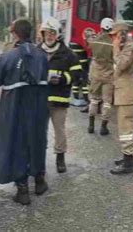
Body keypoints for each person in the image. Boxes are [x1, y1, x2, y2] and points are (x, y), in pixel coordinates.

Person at [0, 19, 49, 205]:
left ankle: (23, 189)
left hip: (15, 107)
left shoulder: (9, 56)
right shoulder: (41, 55)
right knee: (38, 139)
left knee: (17, 143)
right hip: (38, 107)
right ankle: (39, 181)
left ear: (15, 34)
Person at [40, 17, 82, 173]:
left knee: (59, 131)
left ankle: (60, 158)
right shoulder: (37, 51)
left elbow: (77, 75)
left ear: (58, 34)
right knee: (39, 131)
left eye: (52, 33)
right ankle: (38, 158)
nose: (49, 36)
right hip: (41, 100)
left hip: (59, 100)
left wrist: (62, 78)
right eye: (46, 33)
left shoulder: (68, 54)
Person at [109, 22, 133, 175]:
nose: (112, 38)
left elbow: (121, 65)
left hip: (127, 93)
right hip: (123, 92)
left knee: (126, 127)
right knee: (123, 127)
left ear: (121, 35)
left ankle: (128, 163)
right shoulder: (124, 48)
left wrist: (115, 49)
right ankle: (126, 157)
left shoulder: (130, 48)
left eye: (114, 35)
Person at [88, 18, 114, 135]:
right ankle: (103, 127)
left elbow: (91, 53)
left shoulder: (94, 41)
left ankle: (91, 125)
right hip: (108, 75)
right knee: (107, 102)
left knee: (94, 100)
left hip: (96, 74)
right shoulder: (113, 43)